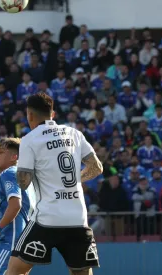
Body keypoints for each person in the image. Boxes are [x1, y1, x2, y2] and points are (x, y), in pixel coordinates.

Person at [7, 92, 104, 275]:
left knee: (15, 271)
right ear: (52, 114)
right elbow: (96, 167)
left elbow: (23, 182)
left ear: (30, 115)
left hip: (47, 220)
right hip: (78, 219)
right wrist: (73, 180)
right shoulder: (74, 133)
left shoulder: (30, 139)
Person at [0, 138, 33, 275]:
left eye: (2, 152)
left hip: (11, 241)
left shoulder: (8, 173)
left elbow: (16, 205)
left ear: (14, 157)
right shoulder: (25, 177)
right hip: (23, 241)